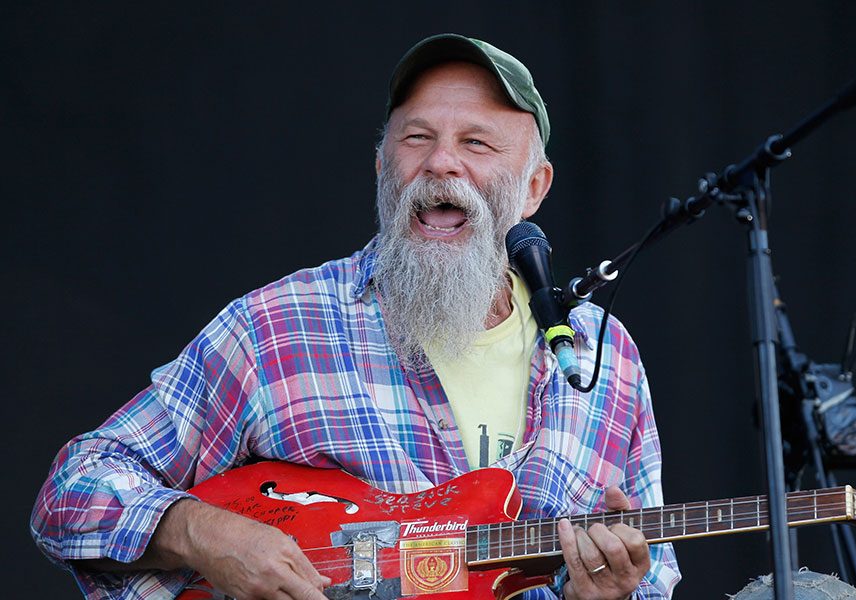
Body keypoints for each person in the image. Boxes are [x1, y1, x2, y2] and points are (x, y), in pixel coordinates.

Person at [31, 33, 681, 599]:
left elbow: (653, 577)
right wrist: (200, 531)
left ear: (534, 186)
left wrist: (609, 594)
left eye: (477, 143)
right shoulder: (278, 328)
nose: (440, 163)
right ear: (382, 167)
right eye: (416, 138)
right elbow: (74, 488)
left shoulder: (605, 356)